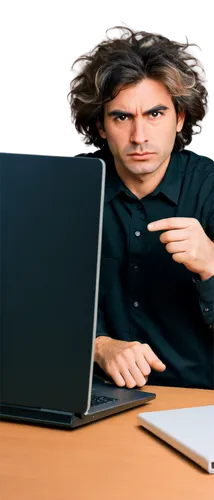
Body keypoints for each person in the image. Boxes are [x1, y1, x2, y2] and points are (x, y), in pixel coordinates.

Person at [66, 22, 214, 390]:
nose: (139, 136)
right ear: (101, 126)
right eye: (121, 117)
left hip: (198, 404)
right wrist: (98, 345)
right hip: (100, 400)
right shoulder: (71, 194)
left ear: (179, 118)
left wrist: (212, 264)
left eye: (155, 114)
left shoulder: (210, 186)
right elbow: (35, 306)